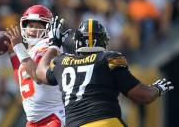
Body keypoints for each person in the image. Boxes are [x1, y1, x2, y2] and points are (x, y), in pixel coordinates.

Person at [12, 17, 174, 126]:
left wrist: (54, 45)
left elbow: (39, 73)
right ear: (104, 40)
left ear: (77, 42)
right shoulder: (109, 59)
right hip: (105, 122)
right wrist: (157, 89)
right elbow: (143, 96)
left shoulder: (63, 62)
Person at [4, 5, 65, 127]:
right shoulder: (27, 53)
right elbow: (25, 81)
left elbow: (37, 76)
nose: (33, 30)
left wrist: (18, 48)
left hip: (52, 117)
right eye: (31, 26)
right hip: (33, 121)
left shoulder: (48, 46)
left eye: (38, 27)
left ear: (48, 29)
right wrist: (13, 54)